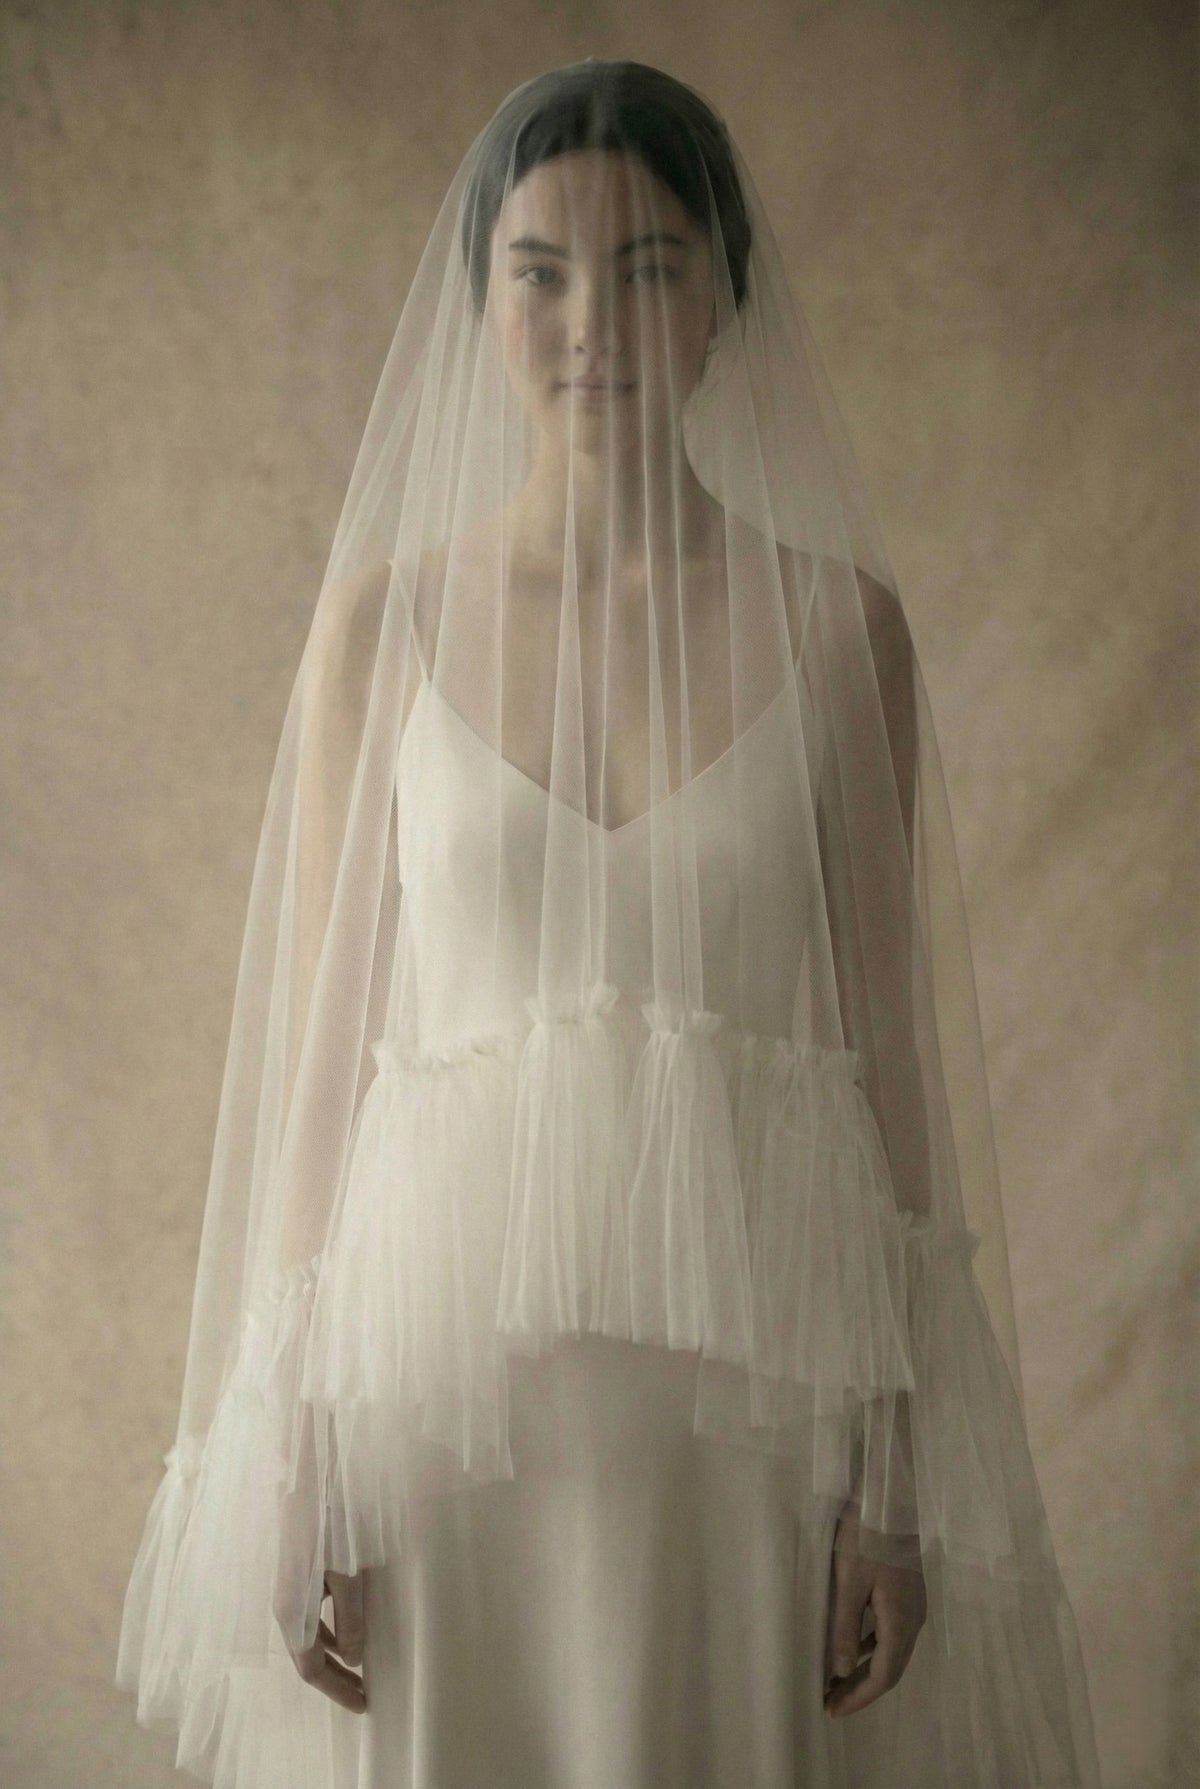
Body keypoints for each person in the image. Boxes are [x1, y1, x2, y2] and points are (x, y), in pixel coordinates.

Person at [115, 58, 1100, 1788]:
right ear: (482, 300)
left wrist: (896, 1484)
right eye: (542, 270)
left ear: (728, 295)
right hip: (441, 1423)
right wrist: (290, 1456)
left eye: (651, 265)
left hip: (747, 1422)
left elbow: (897, 1084)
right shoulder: (382, 629)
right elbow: (321, 1068)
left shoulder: (842, 631)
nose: (595, 321)